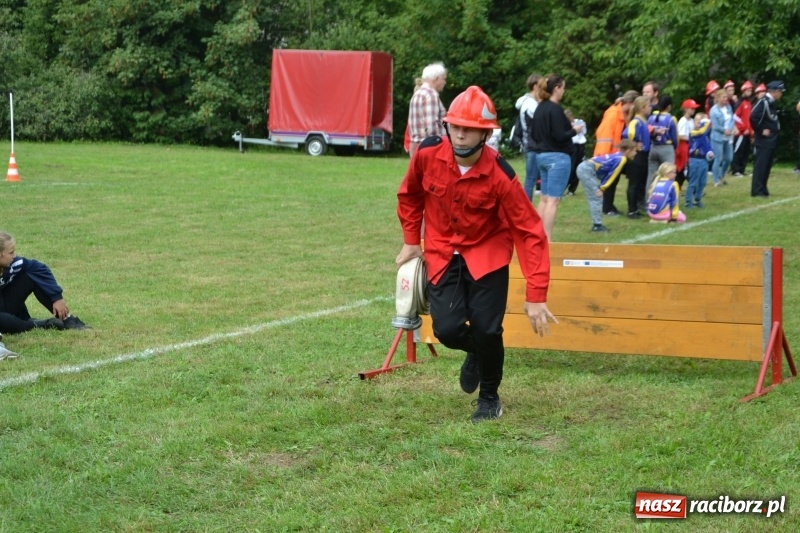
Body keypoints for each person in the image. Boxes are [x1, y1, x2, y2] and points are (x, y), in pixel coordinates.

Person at [396, 86, 555, 423]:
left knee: (486, 329)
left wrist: (536, 293)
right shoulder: (426, 156)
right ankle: (478, 354)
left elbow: (530, 232)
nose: (461, 133)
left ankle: (489, 398)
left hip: (488, 255)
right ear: (446, 126)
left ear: (486, 133)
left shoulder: (500, 174)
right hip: (442, 253)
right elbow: (409, 195)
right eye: (455, 126)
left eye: (469, 128)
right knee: (448, 330)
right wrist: (412, 240)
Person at [0, 232, 90, 334]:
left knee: (31, 275)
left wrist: (57, 297)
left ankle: (67, 320)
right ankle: (41, 324)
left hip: (8, 307)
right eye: (11, 252)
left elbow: (40, 269)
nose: (14, 256)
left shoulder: (14, 263)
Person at [530, 73, 584, 240]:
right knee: (553, 200)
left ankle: (536, 236)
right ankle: (547, 239)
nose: (564, 91)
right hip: (557, 158)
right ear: (556, 88)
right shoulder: (555, 109)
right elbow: (560, 135)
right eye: (563, 88)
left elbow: (533, 133)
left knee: (544, 198)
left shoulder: (540, 108)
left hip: (542, 156)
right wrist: (575, 130)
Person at [576, 139, 637, 232]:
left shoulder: (618, 155)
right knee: (596, 197)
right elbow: (612, 174)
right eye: (635, 151)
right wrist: (602, 188)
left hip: (586, 168)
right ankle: (597, 226)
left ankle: (597, 224)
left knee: (595, 196)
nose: (636, 153)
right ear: (628, 151)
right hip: (586, 170)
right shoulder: (622, 159)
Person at [594, 90, 639, 215]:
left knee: (614, 181)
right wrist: (604, 157)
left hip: (615, 153)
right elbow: (605, 135)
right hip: (610, 154)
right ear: (630, 103)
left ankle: (609, 207)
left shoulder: (620, 113)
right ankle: (607, 208)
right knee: (610, 182)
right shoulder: (613, 114)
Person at [750, 81, 785, 197]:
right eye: (780, 92)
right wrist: (760, 130)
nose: (781, 94)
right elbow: (753, 116)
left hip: (770, 140)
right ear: (774, 92)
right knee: (761, 165)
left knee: (766, 165)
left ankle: (763, 188)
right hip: (764, 140)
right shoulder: (763, 102)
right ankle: (757, 190)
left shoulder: (770, 103)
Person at [407, 62, 447, 158]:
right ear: (436, 78)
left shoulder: (417, 93)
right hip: (429, 148)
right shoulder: (431, 95)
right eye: (444, 79)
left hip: (415, 146)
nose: (445, 82)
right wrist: (441, 145)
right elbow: (432, 128)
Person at [622, 96, 652, 219]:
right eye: (648, 106)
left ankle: (637, 206)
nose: (650, 108)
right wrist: (634, 144)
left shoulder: (643, 121)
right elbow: (627, 134)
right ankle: (631, 210)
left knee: (640, 183)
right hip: (637, 156)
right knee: (634, 183)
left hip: (643, 155)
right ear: (642, 108)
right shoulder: (636, 121)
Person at [517, 73, 542, 199]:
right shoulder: (531, 104)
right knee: (531, 180)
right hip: (533, 146)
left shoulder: (530, 103)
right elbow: (540, 123)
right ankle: (527, 209)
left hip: (532, 146)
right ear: (536, 86)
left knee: (531, 179)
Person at [646, 95, 677, 194]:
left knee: (652, 175)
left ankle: (649, 200)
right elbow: (675, 137)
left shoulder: (651, 118)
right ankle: (666, 199)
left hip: (653, 147)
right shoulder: (671, 119)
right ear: (669, 107)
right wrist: (674, 147)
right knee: (669, 174)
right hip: (666, 148)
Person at [686, 113, 713, 208]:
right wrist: (706, 124)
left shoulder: (704, 135)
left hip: (703, 160)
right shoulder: (693, 133)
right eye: (698, 122)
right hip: (694, 159)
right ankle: (688, 201)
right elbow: (701, 134)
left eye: (701, 123)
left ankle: (698, 199)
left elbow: (708, 145)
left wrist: (710, 152)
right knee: (693, 181)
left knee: (703, 182)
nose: (699, 125)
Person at [709, 89, 735, 186]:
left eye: (726, 97)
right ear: (718, 98)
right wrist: (724, 130)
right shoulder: (713, 110)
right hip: (718, 137)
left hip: (728, 137)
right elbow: (715, 126)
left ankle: (722, 175)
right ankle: (716, 180)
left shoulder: (728, 107)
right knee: (718, 158)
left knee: (729, 158)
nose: (726, 99)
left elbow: (732, 118)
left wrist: (730, 129)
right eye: (724, 97)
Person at [731, 81, 754, 177]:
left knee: (745, 151)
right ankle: (735, 170)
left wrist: (751, 130)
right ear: (743, 91)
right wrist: (743, 128)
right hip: (741, 133)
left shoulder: (748, 102)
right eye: (748, 90)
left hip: (747, 132)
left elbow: (749, 118)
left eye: (750, 90)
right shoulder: (740, 102)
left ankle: (742, 169)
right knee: (738, 151)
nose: (750, 92)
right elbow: (735, 116)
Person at [676, 99, 700, 189]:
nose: (694, 110)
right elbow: (680, 135)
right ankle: (692, 188)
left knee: (686, 168)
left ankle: (681, 187)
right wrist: (692, 138)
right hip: (683, 147)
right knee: (683, 168)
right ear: (686, 109)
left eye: (694, 108)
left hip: (689, 146)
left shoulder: (691, 120)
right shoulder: (683, 121)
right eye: (692, 108)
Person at [564, 108, 587, 195]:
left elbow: (582, 131)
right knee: (570, 167)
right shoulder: (563, 125)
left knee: (578, 167)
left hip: (580, 145)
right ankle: (564, 187)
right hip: (571, 146)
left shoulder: (579, 122)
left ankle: (572, 189)